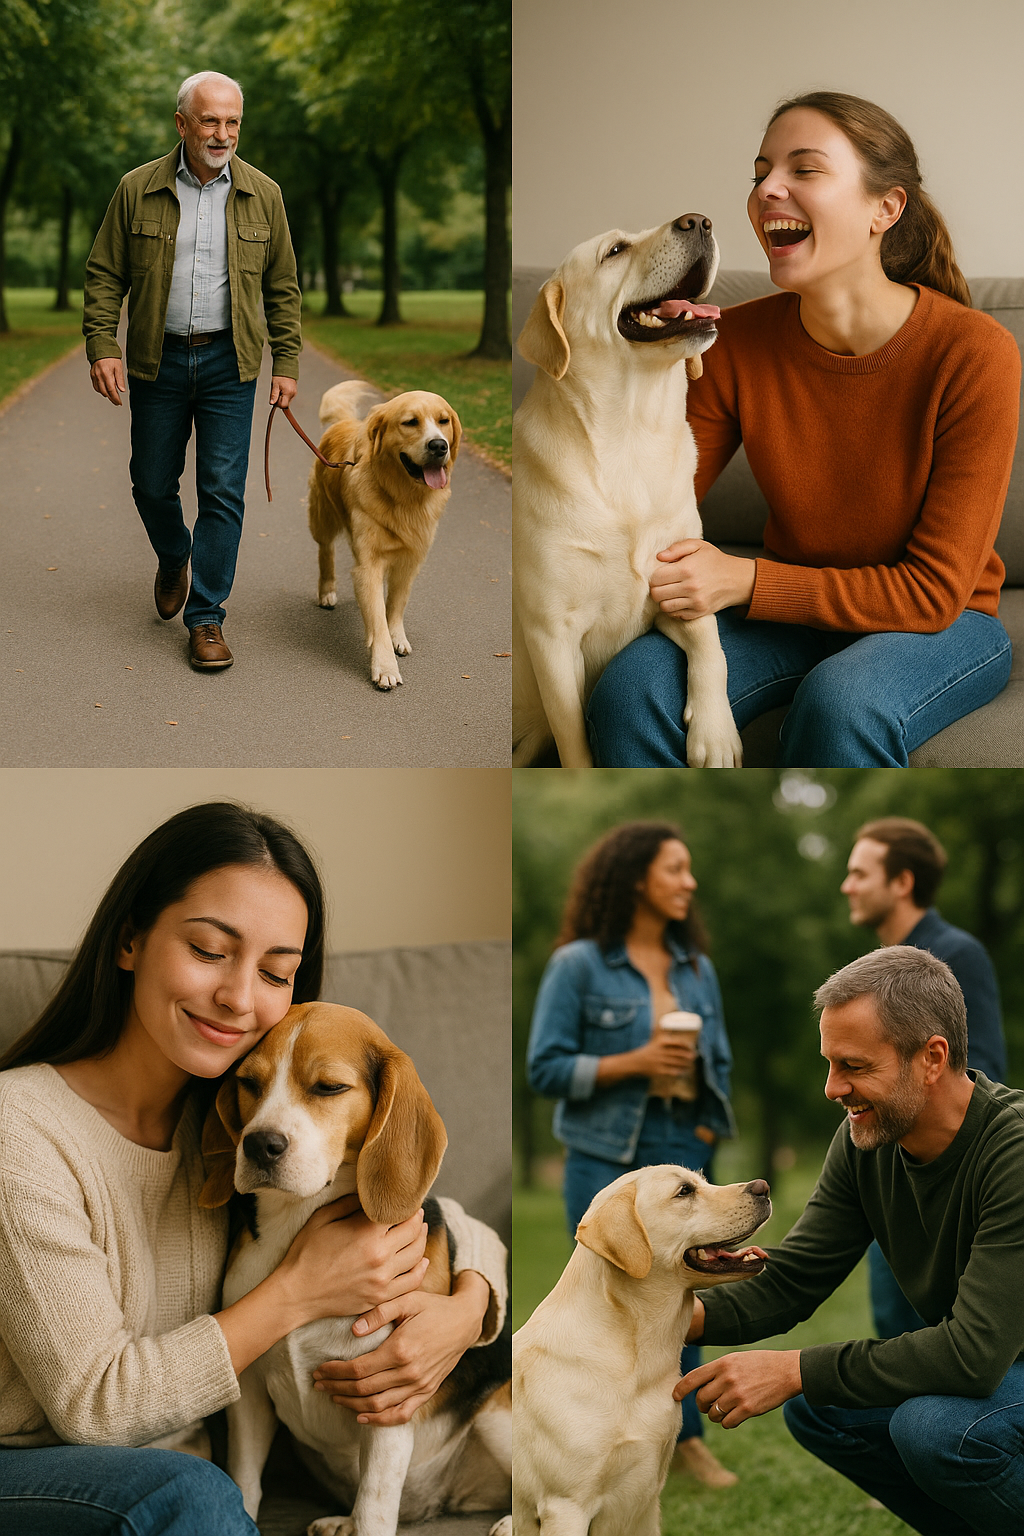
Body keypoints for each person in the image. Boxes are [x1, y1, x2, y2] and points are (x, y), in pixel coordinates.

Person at [0, 803, 506, 1534]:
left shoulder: (236, 1123)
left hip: (191, 1464)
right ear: (130, 941)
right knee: (195, 1495)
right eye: (208, 950)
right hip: (34, 1459)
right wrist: (298, 1295)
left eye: (277, 971)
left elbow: (436, 1213)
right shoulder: (20, 1128)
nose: (240, 998)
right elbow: (95, 1407)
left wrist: (466, 1308)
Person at [587, 91, 1020, 767]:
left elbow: (934, 591)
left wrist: (746, 582)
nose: (767, 190)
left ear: (886, 208)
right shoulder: (729, 342)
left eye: (804, 169)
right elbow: (646, 504)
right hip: (791, 613)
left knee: (843, 701)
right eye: (761, 172)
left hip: (947, 621)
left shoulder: (976, 353)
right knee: (632, 692)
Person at [677, 946, 1024, 1535]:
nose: (833, 1088)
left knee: (936, 1431)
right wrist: (662, 1318)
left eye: (855, 1066)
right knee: (823, 1409)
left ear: (931, 1057)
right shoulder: (868, 1139)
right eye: (829, 1063)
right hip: (1001, 1367)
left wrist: (795, 1369)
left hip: (1000, 1362)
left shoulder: (1012, 1154)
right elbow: (794, 1279)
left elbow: (972, 1355)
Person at [526, 821, 739, 1488]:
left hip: (682, 1147)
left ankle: (684, 1439)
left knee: (685, 1296)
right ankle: (596, 1431)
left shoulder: (695, 969)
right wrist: (635, 1061)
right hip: (604, 1156)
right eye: (676, 869)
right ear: (636, 877)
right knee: (606, 1299)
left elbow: (721, 1060)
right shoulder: (578, 964)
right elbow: (545, 1068)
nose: (689, 883)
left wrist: (705, 1134)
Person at [83, 71, 303, 672]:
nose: (223, 133)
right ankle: (174, 551)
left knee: (222, 492)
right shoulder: (137, 188)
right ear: (182, 124)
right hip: (159, 361)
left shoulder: (265, 195)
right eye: (210, 121)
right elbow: (105, 272)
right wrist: (102, 343)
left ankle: (206, 617)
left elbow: (283, 287)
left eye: (232, 122)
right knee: (151, 483)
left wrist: (287, 361)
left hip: (232, 364)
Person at [842, 815, 1007, 1337]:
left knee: (932, 1343)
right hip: (885, 1173)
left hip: (937, 1191)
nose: (847, 885)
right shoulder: (874, 971)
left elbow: (977, 1069)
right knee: (892, 1339)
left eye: (860, 873)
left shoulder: (957, 955)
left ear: (902, 882)